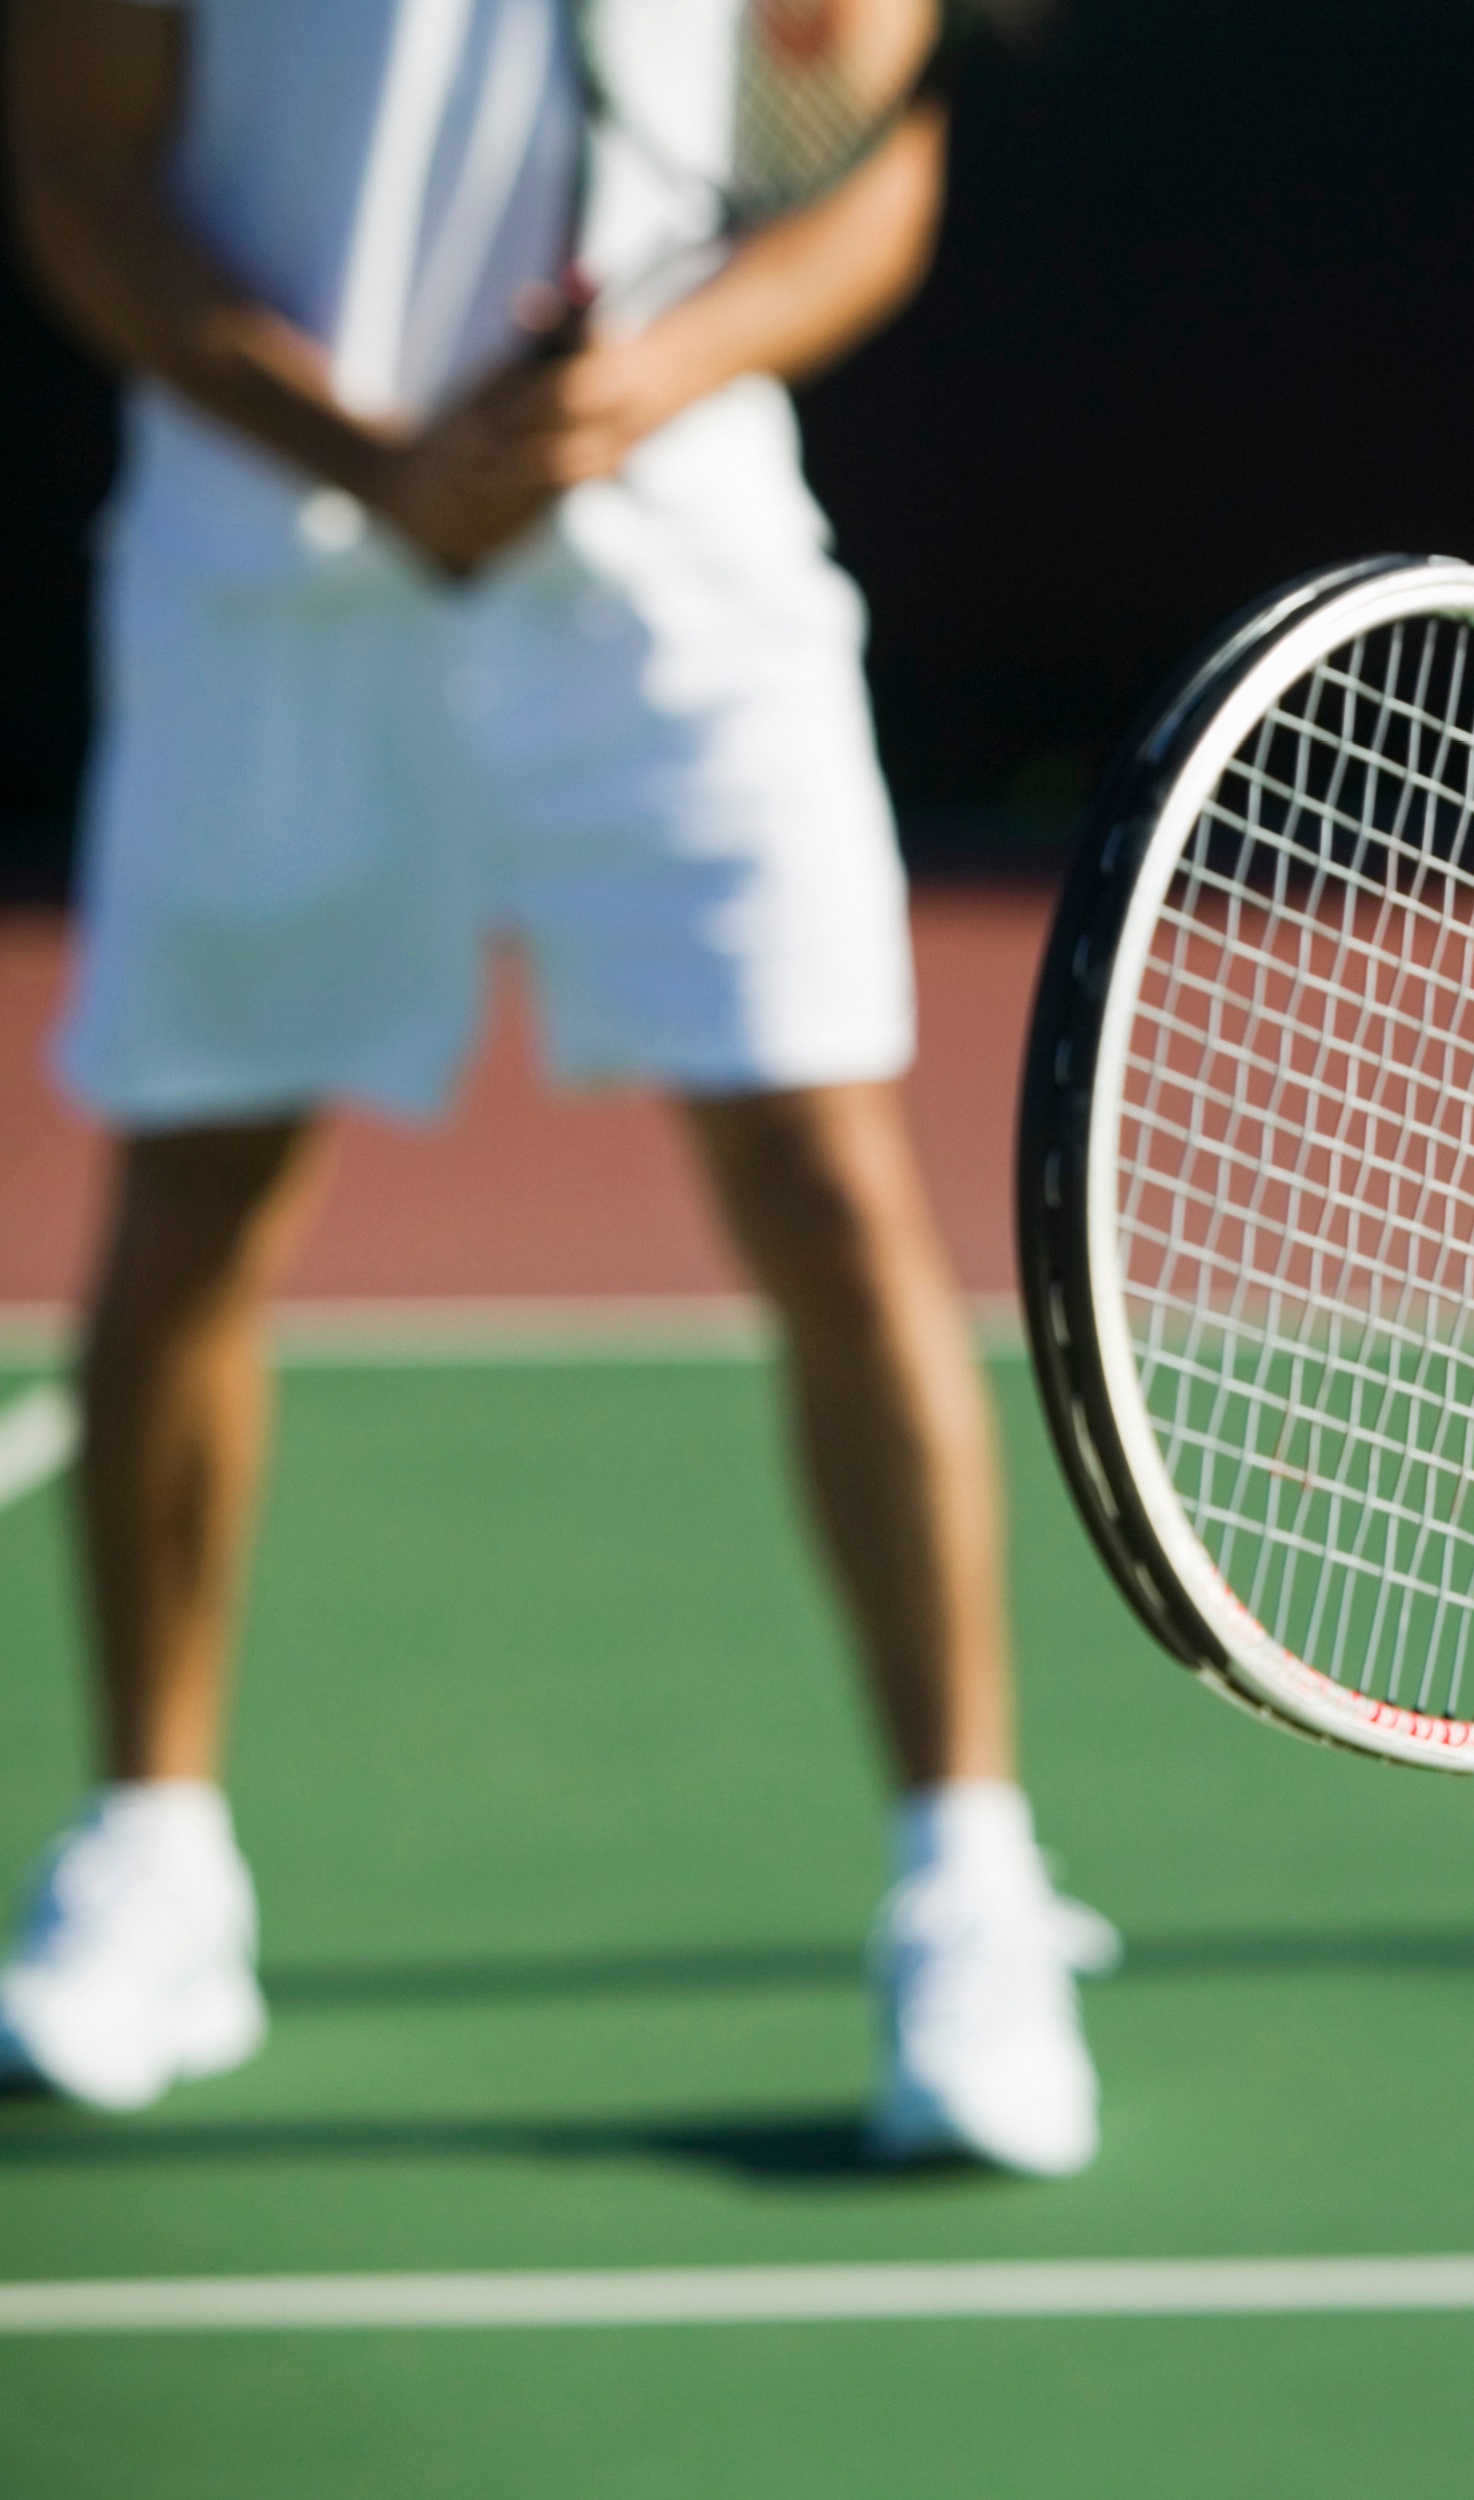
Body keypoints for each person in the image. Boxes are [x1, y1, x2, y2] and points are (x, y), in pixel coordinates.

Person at [0, 0, 1118, 2177]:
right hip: (273, 582)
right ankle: (155, 1861)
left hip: (674, 582)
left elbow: (866, 171)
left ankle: (965, 1886)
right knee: (196, 1190)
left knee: (824, 1179)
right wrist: (357, 449)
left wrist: (640, 384)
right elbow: (78, 177)